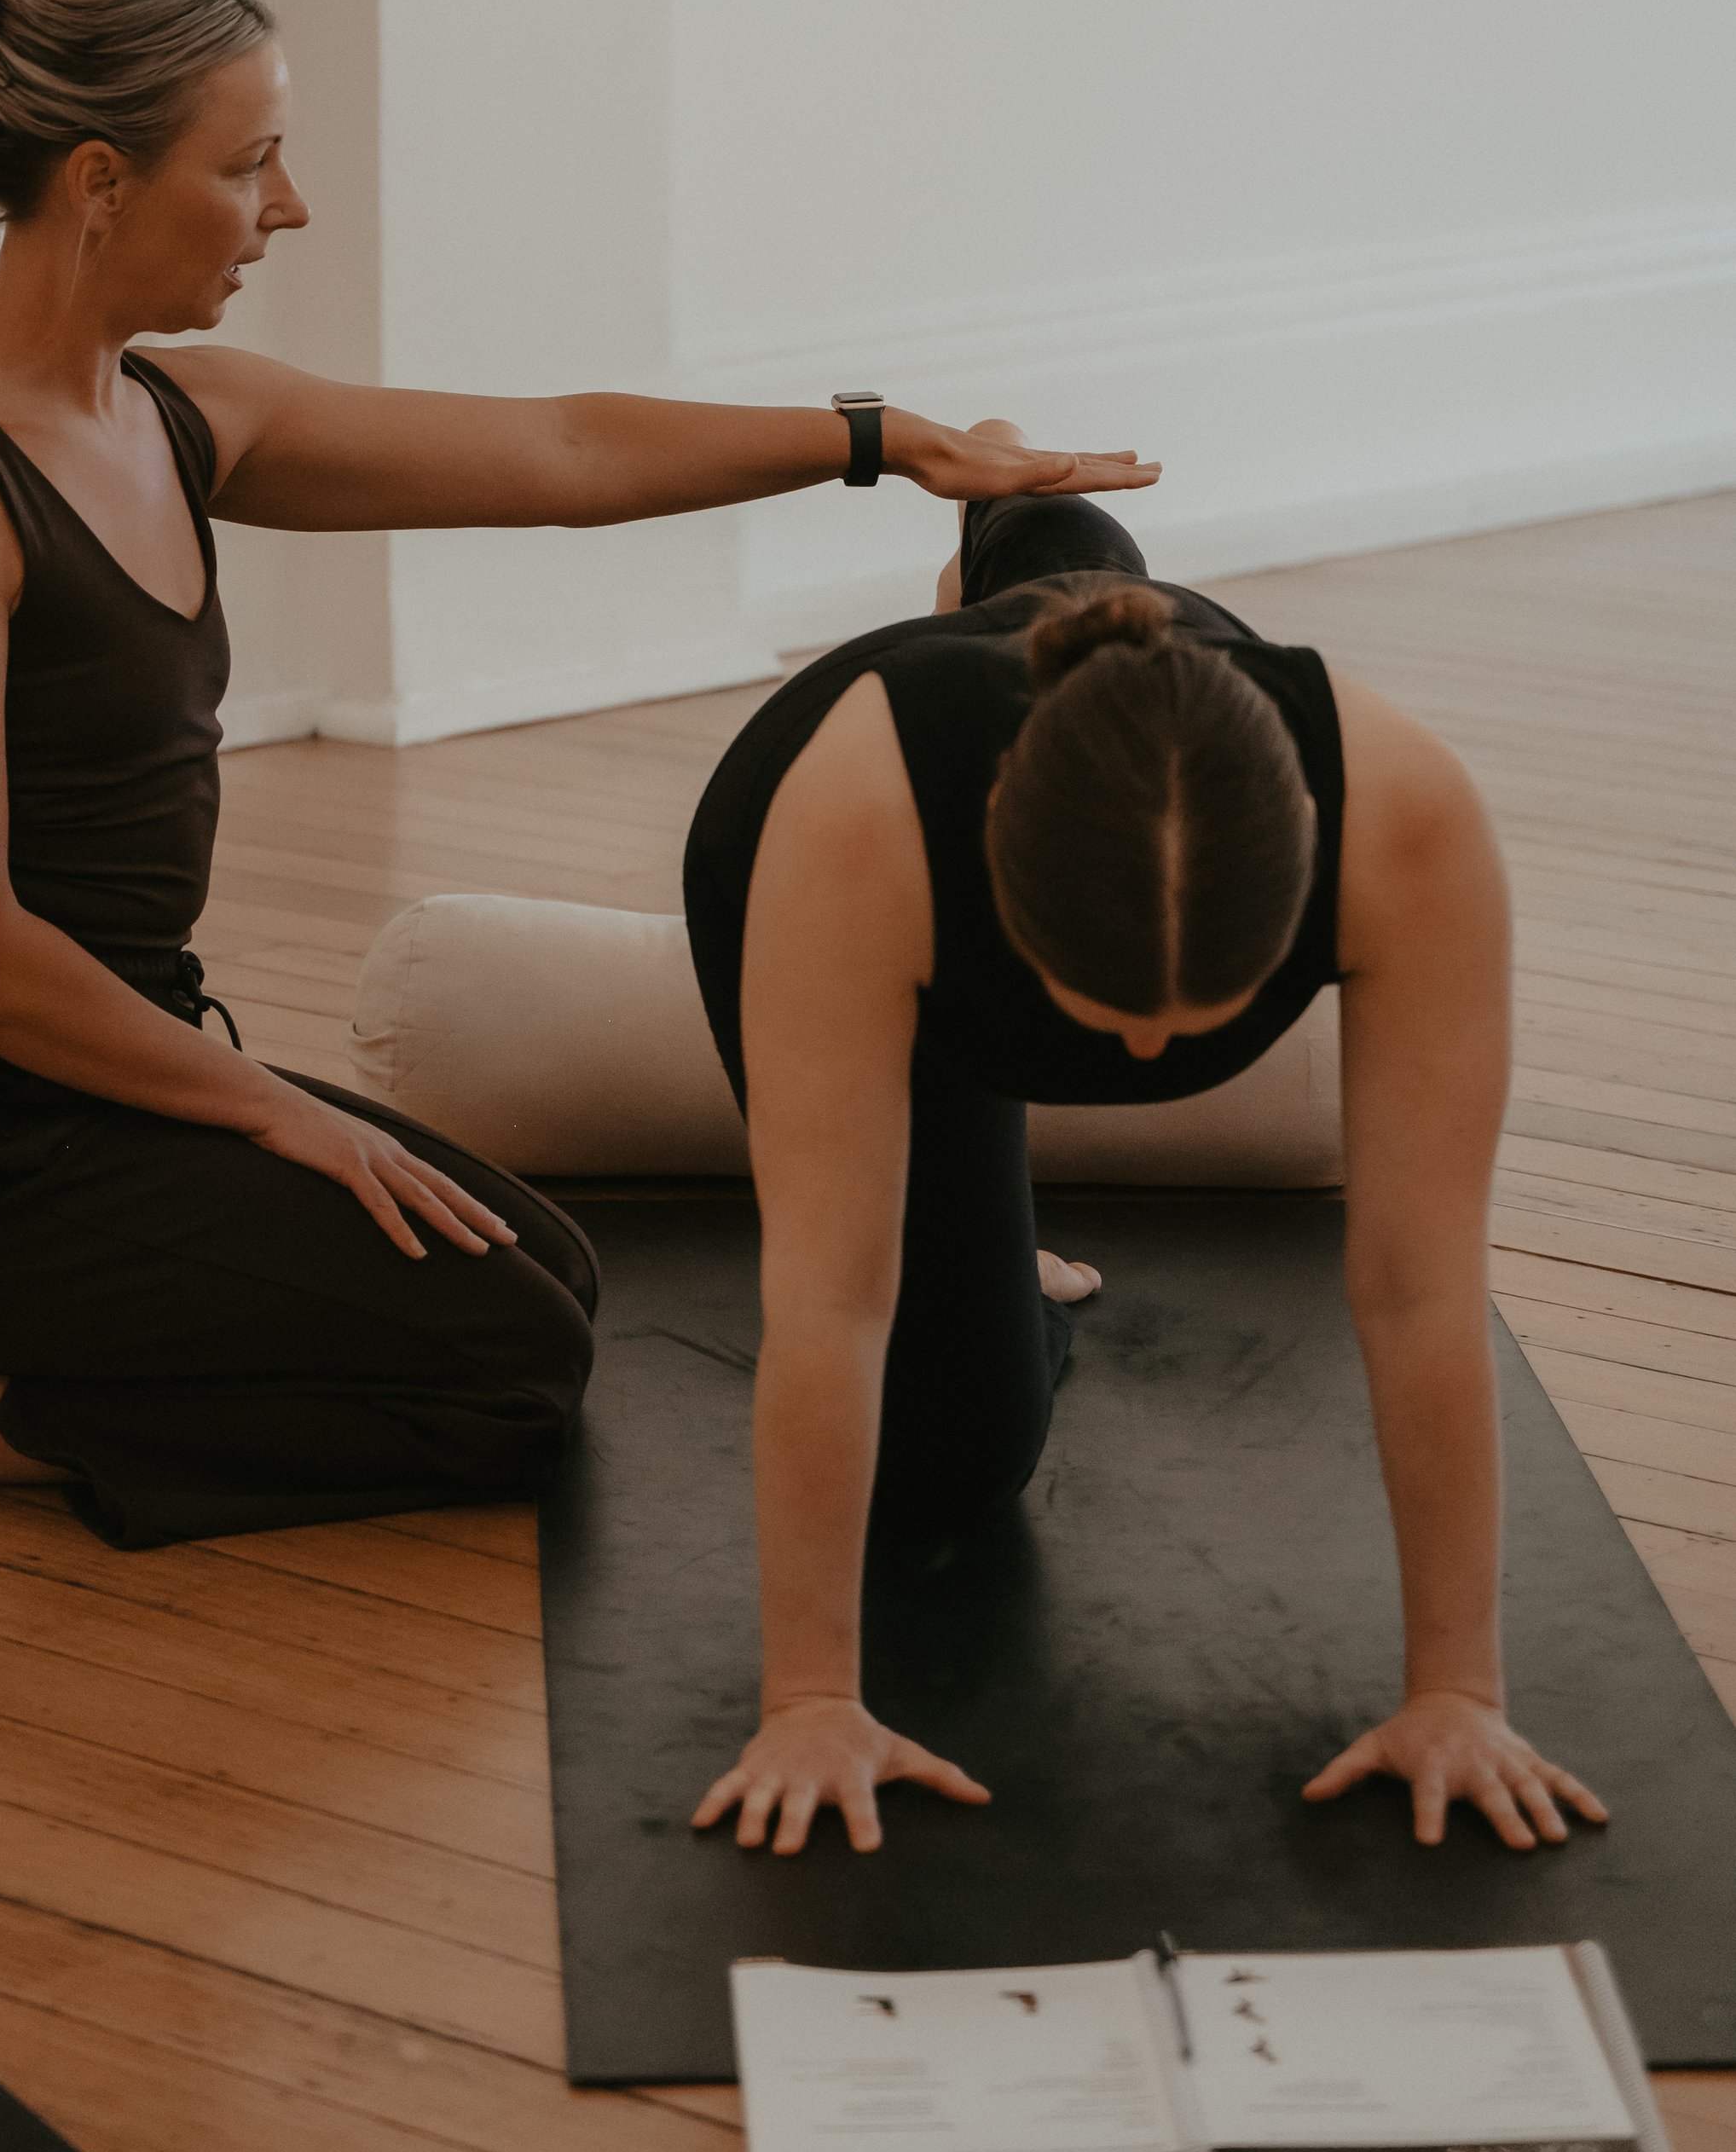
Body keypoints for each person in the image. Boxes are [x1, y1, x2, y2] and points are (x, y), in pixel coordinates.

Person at [0, 0, 1155, 1548]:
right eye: (251, 165)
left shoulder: (178, 414)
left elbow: (563, 450)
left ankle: (7, 1342)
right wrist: (273, 1108)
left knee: (547, 1274)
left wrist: (885, 440)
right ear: (100, 180)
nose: (286, 208)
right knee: (504, 1370)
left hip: (95, 1067)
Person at [683, 454, 1612, 1859]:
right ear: (997, 872)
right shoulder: (858, 829)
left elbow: (1422, 1287)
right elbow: (831, 1299)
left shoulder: (1406, 818)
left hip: (1130, 711)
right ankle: (1003, 544)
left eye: (1202, 1027)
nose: (1137, 1069)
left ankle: (1026, 524)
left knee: (1102, 598)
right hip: (836, 843)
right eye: (1106, 1023)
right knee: (953, 1454)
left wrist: (1458, 1692)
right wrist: (810, 1696)